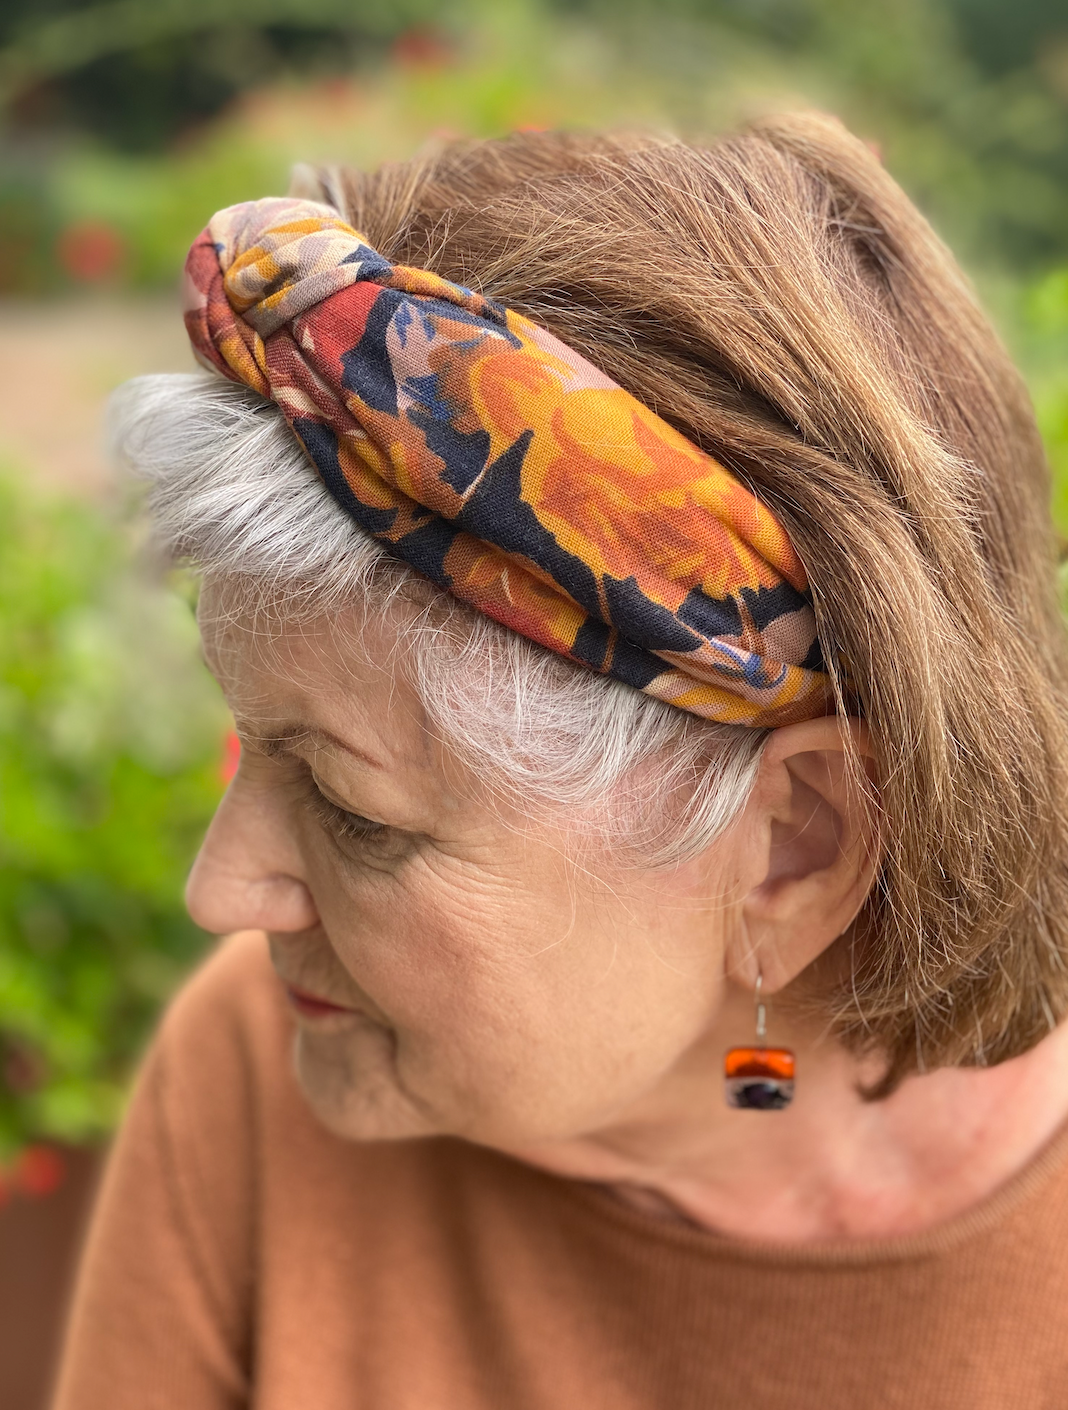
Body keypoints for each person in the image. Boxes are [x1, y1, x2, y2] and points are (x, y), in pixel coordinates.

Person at [51, 114, 1068, 1409]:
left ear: (789, 850)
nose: (223, 893)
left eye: (357, 810)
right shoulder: (261, 1070)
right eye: (252, 743)